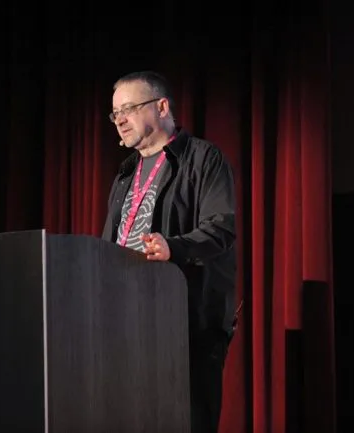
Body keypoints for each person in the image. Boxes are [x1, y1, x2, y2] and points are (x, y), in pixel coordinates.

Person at [101, 70, 237, 433]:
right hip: (126, 327)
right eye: (115, 113)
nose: (120, 120)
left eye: (129, 108)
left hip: (186, 329)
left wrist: (173, 247)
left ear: (161, 107)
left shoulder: (203, 159)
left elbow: (221, 228)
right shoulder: (125, 175)